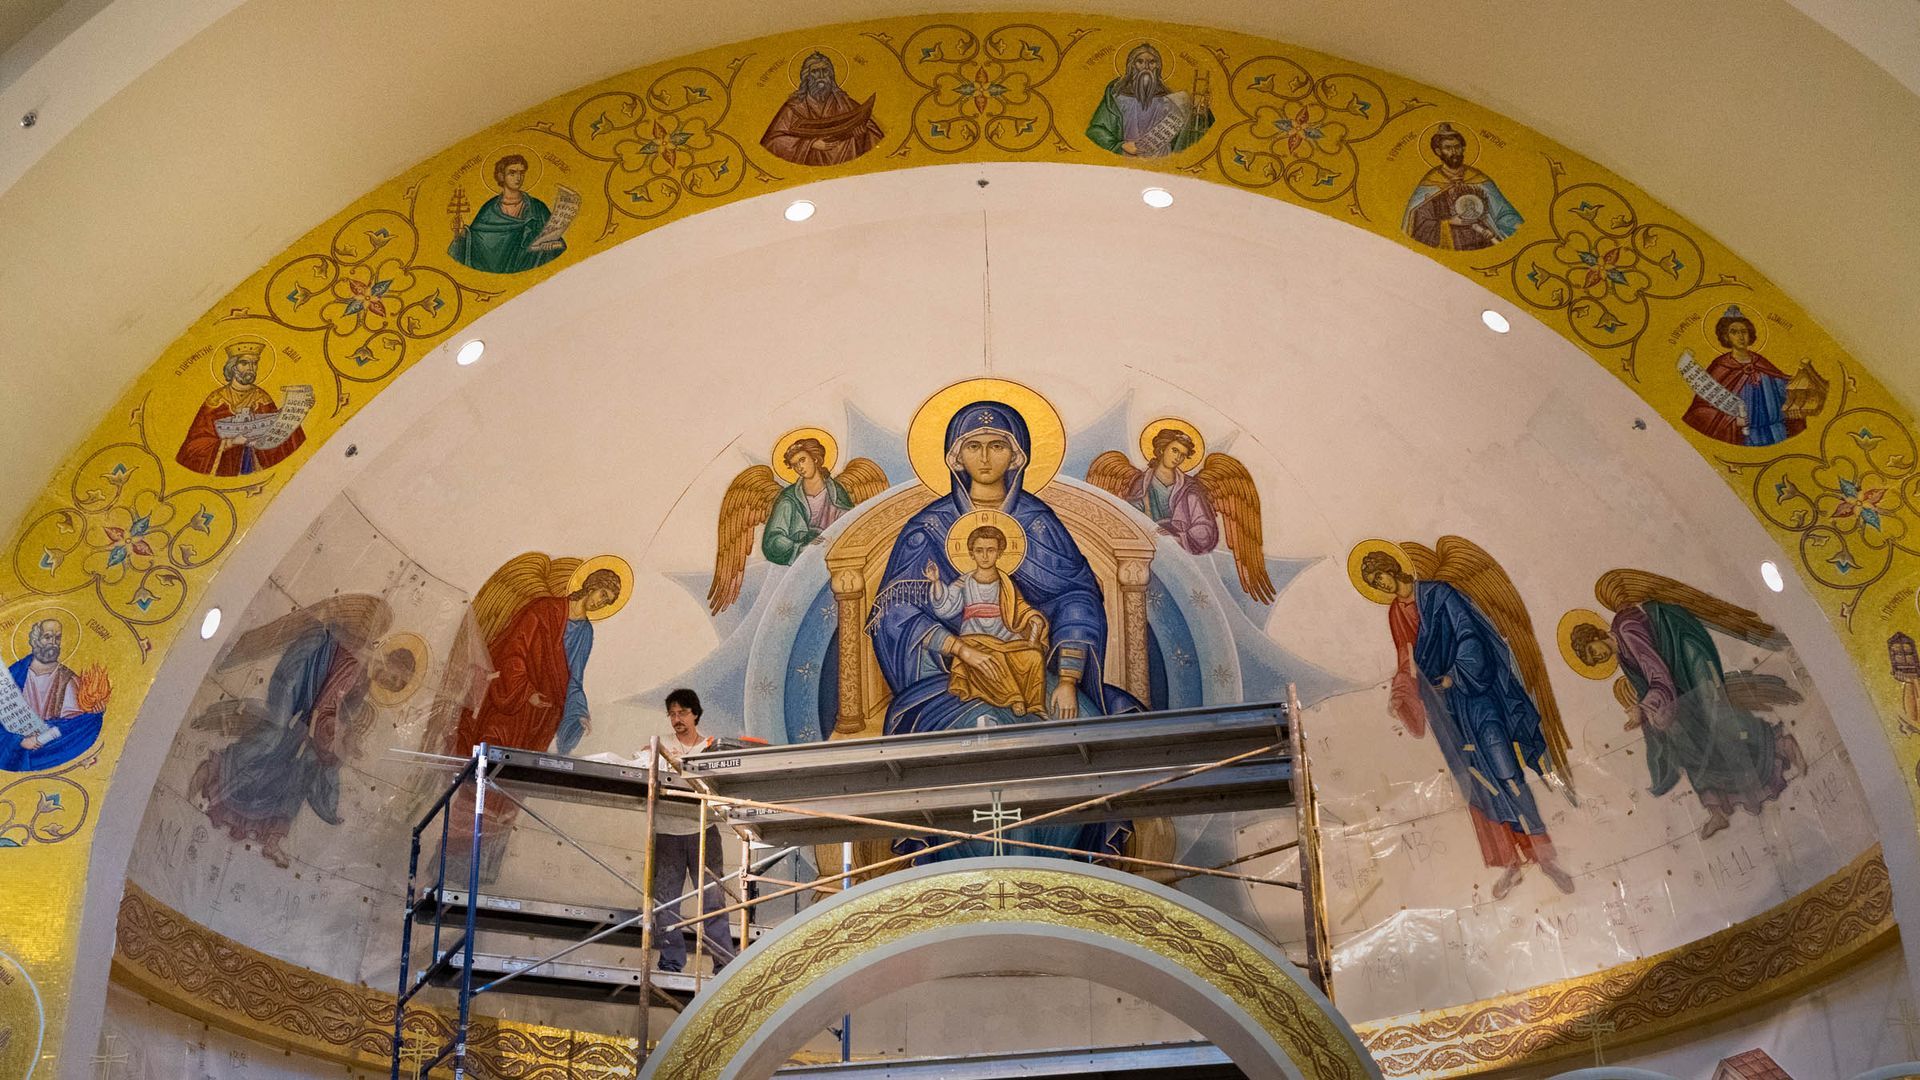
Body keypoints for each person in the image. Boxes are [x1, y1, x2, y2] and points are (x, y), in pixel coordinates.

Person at [869, 399, 1143, 861]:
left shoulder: (1038, 525)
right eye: (972, 446)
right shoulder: (927, 529)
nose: (984, 456)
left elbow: (1077, 598)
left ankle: (1059, 873)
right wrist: (961, 649)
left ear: (1017, 455)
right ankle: (961, 874)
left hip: (1028, 666)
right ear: (955, 456)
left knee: (1083, 732)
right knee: (977, 734)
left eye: (997, 445)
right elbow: (894, 614)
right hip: (951, 677)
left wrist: (1071, 681)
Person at [1362, 550, 1576, 898]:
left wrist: (1456, 675)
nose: (1381, 585)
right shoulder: (1395, 613)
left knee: (1506, 772)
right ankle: (1510, 862)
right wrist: (1400, 691)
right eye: (1374, 583)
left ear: (1393, 568)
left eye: (1381, 577)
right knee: (1477, 784)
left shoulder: (1439, 594)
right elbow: (1406, 657)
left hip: (1476, 695)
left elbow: (1470, 636)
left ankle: (1544, 855)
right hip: (1446, 711)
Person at [190, 627, 415, 867]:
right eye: (395, 675)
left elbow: (340, 716)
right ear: (391, 659)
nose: (391, 681)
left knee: (304, 766)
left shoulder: (363, 687)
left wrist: (344, 739)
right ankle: (214, 768)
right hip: (301, 676)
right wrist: (330, 728)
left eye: (396, 684)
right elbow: (327, 694)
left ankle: (273, 838)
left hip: (311, 716)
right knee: (273, 735)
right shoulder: (362, 652)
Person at [1570, 611, 1805, 839]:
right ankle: (1716, 809)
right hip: (1674, 690)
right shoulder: (1622, 655)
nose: (1598, 658)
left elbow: (1658, 673)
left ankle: (1782, 745)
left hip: (1688, 664)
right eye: (1592, 661)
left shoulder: (1626, 629)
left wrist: (1643, 708)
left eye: (1593, 651)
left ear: (1596, 635)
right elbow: (1649, 684)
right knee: (1682, 742)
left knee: (1719, 719)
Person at [645, 689, 737, 973]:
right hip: (668, 832)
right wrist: (655, 756)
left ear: (695, 713)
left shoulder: (710, 747)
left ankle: (724, 963)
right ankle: (671, 961)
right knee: (665, 900)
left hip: (703, 830)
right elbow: (639, 766)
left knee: (712, 899)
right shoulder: (658, 746)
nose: (676, 719)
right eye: (672, 714)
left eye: (682, 713)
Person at [923, 524, 1049, 717]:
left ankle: (1035, 705)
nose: (985, 556)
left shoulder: (1006, 583)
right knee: (990, 659)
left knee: (1034, 657)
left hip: (1006, 638)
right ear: (971, 554)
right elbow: (945, 609)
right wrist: (936, 582)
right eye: (979, 550)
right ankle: (1014, 698)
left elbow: (1020, 608)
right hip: (974, 639)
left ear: (999, 553)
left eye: (990, 550)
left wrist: (1033, 617)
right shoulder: (964, 581)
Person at [175, 340, 307, 476]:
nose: (251, 368)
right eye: (244, 363)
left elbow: (279, 436)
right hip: (227, 468)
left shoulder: (262, 397)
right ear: (233, 367)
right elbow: (193, 447)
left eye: (254, 363)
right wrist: (231, 442)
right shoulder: (216, 399)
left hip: (258, 466)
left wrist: (293, 412)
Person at [1680, 306, 1802, 447]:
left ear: (1750, 335)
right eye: (1734, 332)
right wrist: (1731, 419)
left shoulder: (1761, 362)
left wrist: (1796, 396)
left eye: (1744, 331)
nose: (1740, 336)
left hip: (1775, 431)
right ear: (1726, 336)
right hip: (1744, 435)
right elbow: (1701, 407)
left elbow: (1783, 389)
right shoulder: (1721, 366)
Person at [2, 620, 108, 772]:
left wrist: (95, 713)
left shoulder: (70, 680)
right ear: (35, 640)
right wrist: (19, 741)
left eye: (57, 638)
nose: (52, 642)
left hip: (53, 749)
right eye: (47, 637)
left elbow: (75, 724)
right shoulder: (15, 674)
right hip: (19, 748)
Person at [1401, 123, 1523, 251]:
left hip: (1484, 242)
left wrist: (1517, 226)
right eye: (1448, 148)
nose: (1454, 152)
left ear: (1463, 148)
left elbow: (1502, 211)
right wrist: (1448, 223)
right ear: (1438, 151)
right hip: (1450, 245)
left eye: (1457, 147)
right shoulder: (1430, 182)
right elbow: (1418, 222)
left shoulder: (1478, 178)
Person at [1087, 43, 1212, 157]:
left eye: (1152, 62)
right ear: (1131, 66)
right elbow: (1096, 130)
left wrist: (1200, 109)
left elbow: (1188, 134)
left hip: (1162, 160)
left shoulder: (1170, 99)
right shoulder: (1116, 98)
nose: (1146, 67)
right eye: (1140, 62)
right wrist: (1121, 145)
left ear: (1158, 67)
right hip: (1127, 157)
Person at [447, 154, 566, 274]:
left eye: (522, 173)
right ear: (501, 176)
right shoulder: (490, 208)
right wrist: (461, 233)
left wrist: (551, 245)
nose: (518, 178)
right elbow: (476, 240)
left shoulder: (537, 207)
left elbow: (556, 240)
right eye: (512, 173)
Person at [760, 52, 884, 166]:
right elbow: (772, 142)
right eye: (815, 71)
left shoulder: (845, 103)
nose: (820, 76)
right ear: (806, 77)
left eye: (824, 71)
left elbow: (874, 133)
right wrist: (810, 144)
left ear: (831, 75)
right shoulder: (794, 108)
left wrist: (862, 134)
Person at [761, 437, 856, 564]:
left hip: (835, 558)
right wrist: (801, 548)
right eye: (795, 465)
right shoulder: (789, 498)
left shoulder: (836, 492)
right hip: (802, 563)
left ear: (815, 459)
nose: (800, 467)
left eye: (802, 460)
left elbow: (851, 523)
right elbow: (772, 541)